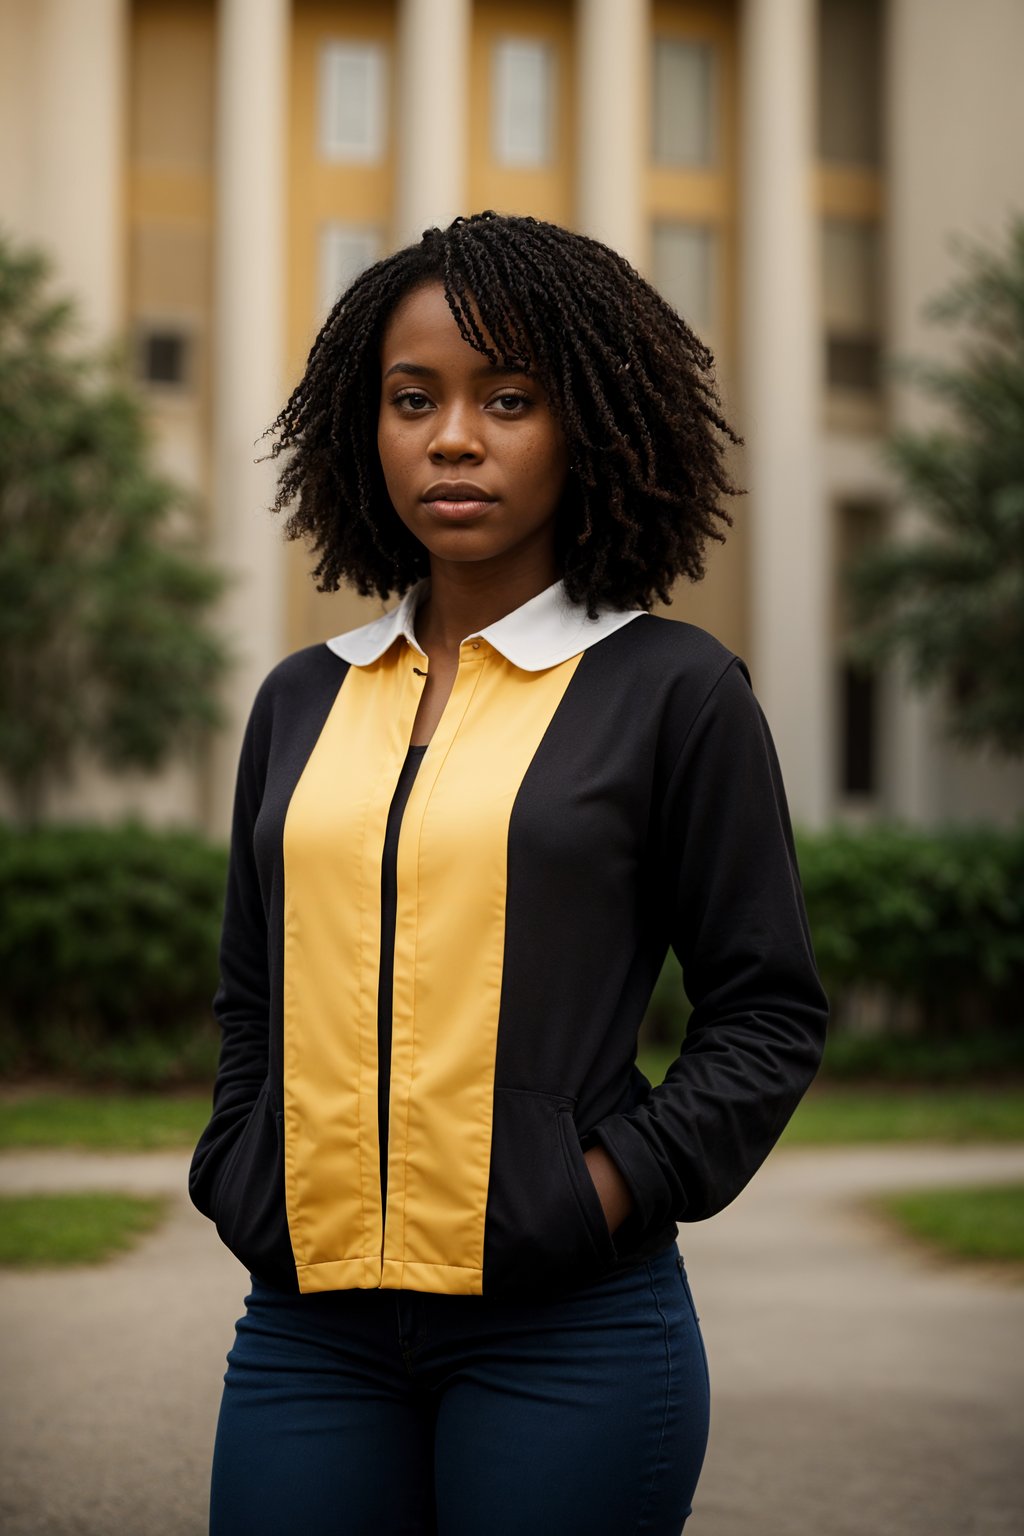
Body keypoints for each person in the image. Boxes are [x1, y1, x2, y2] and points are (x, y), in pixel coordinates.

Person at [189, 210, 828, 1536]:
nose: (455, 436)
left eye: (511, 398)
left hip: (569, 1338)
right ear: (366, 433)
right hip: (310, 1337)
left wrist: (598, 1188)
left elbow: (767, 1011)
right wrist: (237, 1165)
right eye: (413, 399)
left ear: (588, 423)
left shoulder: (673, 691)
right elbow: (254, 992)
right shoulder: (302, 700)